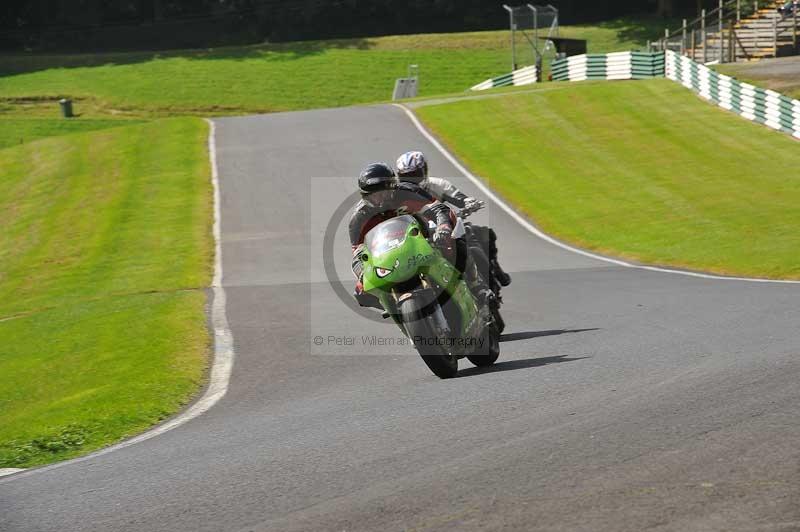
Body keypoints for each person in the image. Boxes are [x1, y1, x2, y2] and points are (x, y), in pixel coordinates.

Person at [349, 162, 493, 311]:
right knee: (361, 292)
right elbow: (358, 251)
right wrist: (362, 272)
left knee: (454, 242)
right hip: (387, 256)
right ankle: (393, 307)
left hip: (423, 237)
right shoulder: (359, 217)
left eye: (383, 193)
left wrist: (443, 227)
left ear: (392, 187)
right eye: (373, 195)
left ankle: (476, 285)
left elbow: (439, 209)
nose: (379, 199)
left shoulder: (407, 192)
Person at [395, 151, 512, 289]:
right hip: (417, 236)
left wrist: (468, 202)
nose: (412, 180)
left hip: (446, 228)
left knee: (482, 235)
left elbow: (459, 197)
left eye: (415, 175)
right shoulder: (396, 195)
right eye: (406, 177)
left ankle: (491, 277)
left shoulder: (437, 185)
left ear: (424, 171)